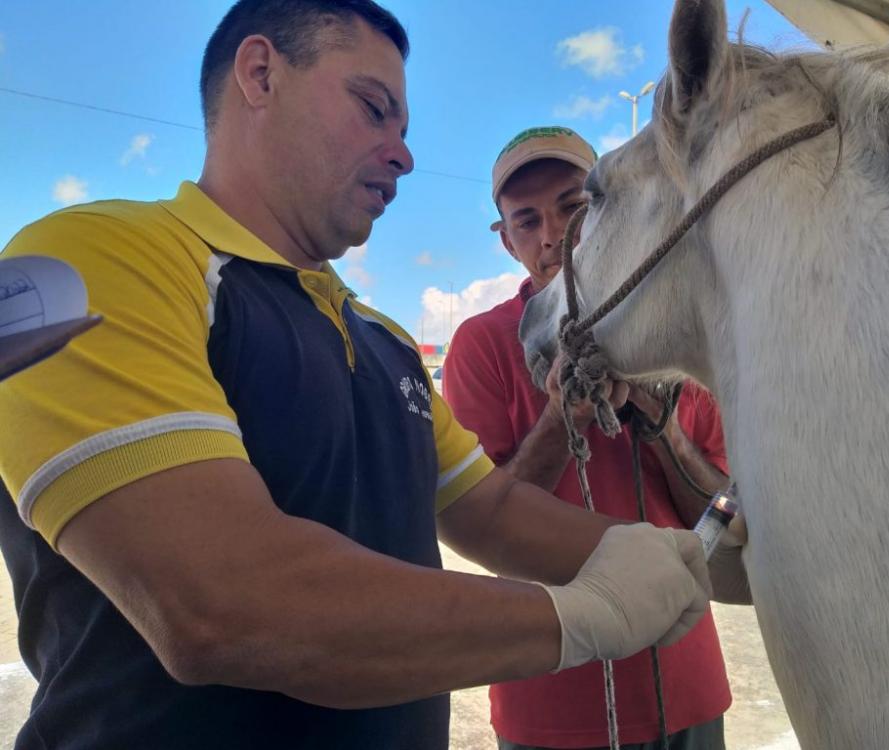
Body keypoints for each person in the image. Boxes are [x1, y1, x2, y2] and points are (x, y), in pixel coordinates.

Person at [0, 3, 721, 749]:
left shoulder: (385, 341)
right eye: (375, 110)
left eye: (405, 131)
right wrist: (581, 617)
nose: (404, 155)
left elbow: (494, 509)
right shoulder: (88, 262)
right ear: (259, 74)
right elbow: (220, 603)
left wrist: (672, 557)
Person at [444, 126, 751, 750]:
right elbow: (485, 527)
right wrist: (563, 418)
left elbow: (727, 522)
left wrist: (659, 424)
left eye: (573, 206)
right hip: (548, 697)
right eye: (526, 221)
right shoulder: (480, 343)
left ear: (609, 210)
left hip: (688, 690)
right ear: (506, 242)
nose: (553, 235)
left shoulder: (670, 339)